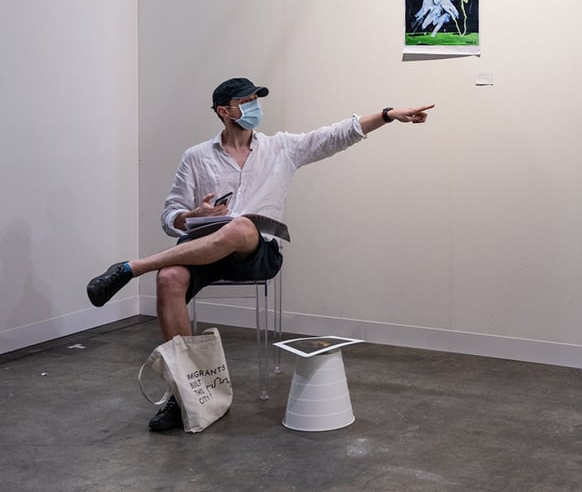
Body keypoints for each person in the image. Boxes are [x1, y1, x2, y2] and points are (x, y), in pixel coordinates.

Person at [86, 77, 433, 431]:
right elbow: (169, 215)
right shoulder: (196, 157)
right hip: (206, 247)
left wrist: (388, 114)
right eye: (246, 101)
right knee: (170, 277)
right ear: (224, 111)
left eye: (256, 99)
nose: (254, 106)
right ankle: (183, 393)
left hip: (257, 251)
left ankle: (132, 268)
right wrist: (192, 215)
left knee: (241, 227)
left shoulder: (280, 148)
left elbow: (335, 136)